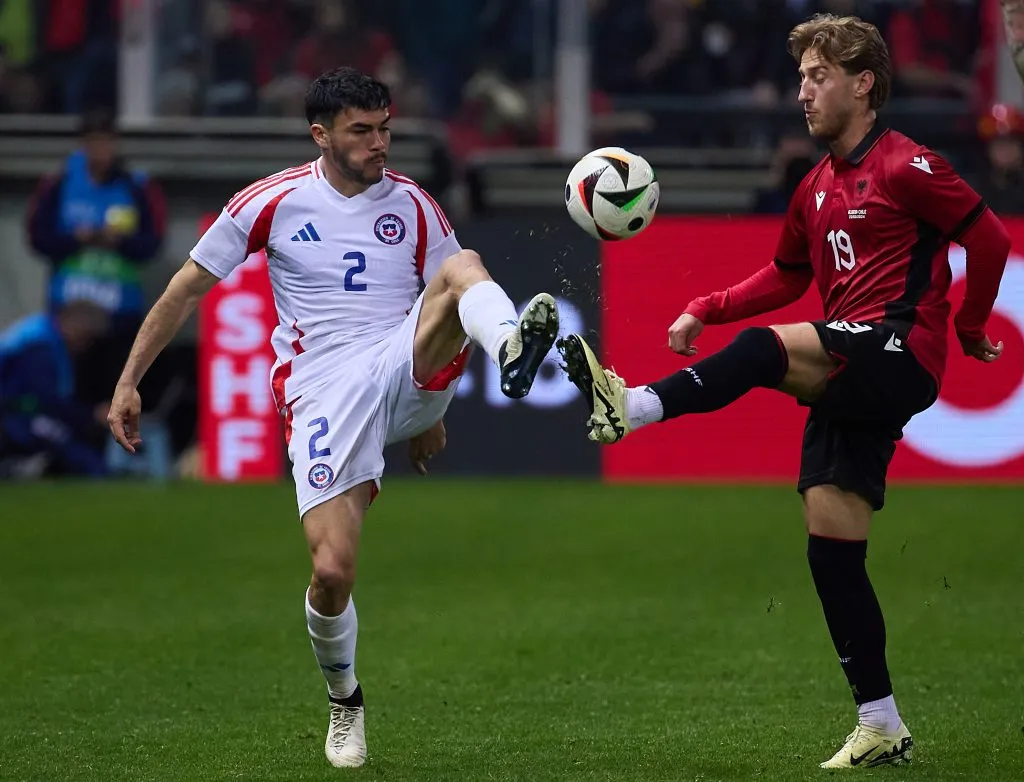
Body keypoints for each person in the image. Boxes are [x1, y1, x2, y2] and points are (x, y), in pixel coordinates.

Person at [558, 14, 1010, 770]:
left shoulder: (906, 165)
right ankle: (882, 724)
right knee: (833, 554)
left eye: (819, 75)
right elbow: (788, 276)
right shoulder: (814, 186)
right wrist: (708, 303)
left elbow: (989, 239)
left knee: (769, 351)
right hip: (851, 366)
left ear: (863, 83)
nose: (803, 91)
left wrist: (965, 326)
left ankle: (632, 406)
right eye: (801, 76)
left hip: (900, 347)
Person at [106, 66, 559, 769]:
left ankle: (511, 350)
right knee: (331, 571)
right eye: (363, 132)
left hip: (399, 359)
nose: (381, 144)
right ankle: (345, 699)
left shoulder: (412, 203)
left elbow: (451, 291)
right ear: (321, 135)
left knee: (464, 262)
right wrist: (129, 380)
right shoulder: (272, 202)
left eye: (386, 129)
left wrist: (430, 393)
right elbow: (184, 289)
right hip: (320, 388)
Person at [26, 107, 165, 408]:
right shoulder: (59, 182)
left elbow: (152, 244)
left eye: (106, 142)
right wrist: (75, 240)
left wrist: (121, 242)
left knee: (114, 393)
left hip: (119, 313)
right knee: (67, 394)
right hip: (69, 313)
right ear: (83, 143)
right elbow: (38, 238)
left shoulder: (136, 185)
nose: (101, 150)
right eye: (94, 142)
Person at [0, 300, 110, 478]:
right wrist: (93, 414)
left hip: (20, 413)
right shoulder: (39, 346)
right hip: (18, 417)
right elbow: (49, 400)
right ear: (74, 324)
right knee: (88, 462)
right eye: (86, 337)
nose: (86, 345)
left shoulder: (40, 332)